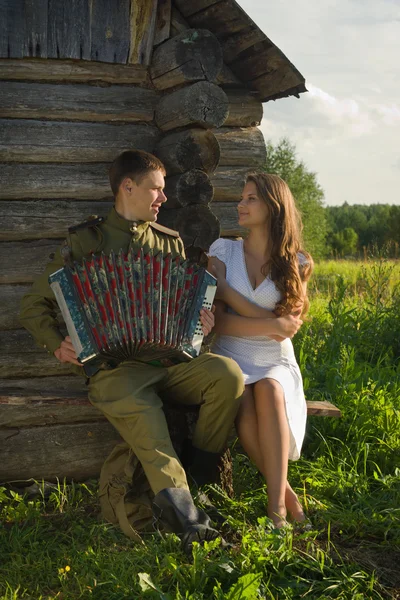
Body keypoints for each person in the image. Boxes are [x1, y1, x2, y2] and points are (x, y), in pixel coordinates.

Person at [20, 151, 302, 552]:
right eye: (156, 189)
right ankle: (193, 528)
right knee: (151, 429)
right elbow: (33, 305)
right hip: (115, 369)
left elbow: (181, 308)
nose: (163, 199)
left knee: (226, 375)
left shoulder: (167, 243)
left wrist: (198, 327)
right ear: (128, 187)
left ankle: (200, 486)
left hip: (167, 361)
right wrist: (57, 346)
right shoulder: (85, 242)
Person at [208, 172, 313, 528]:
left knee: (269, 388)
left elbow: (287, 332)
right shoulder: (223, 250)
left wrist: (229, 292)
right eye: (242, 197)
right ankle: (286, 496)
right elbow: (220, 323)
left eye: (251, 198)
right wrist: (271, 324)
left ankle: (276, 513)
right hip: (231, 353)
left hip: (274, 360)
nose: (241, 204)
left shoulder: (296, 263)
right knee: (246, 406)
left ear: (273, 205)